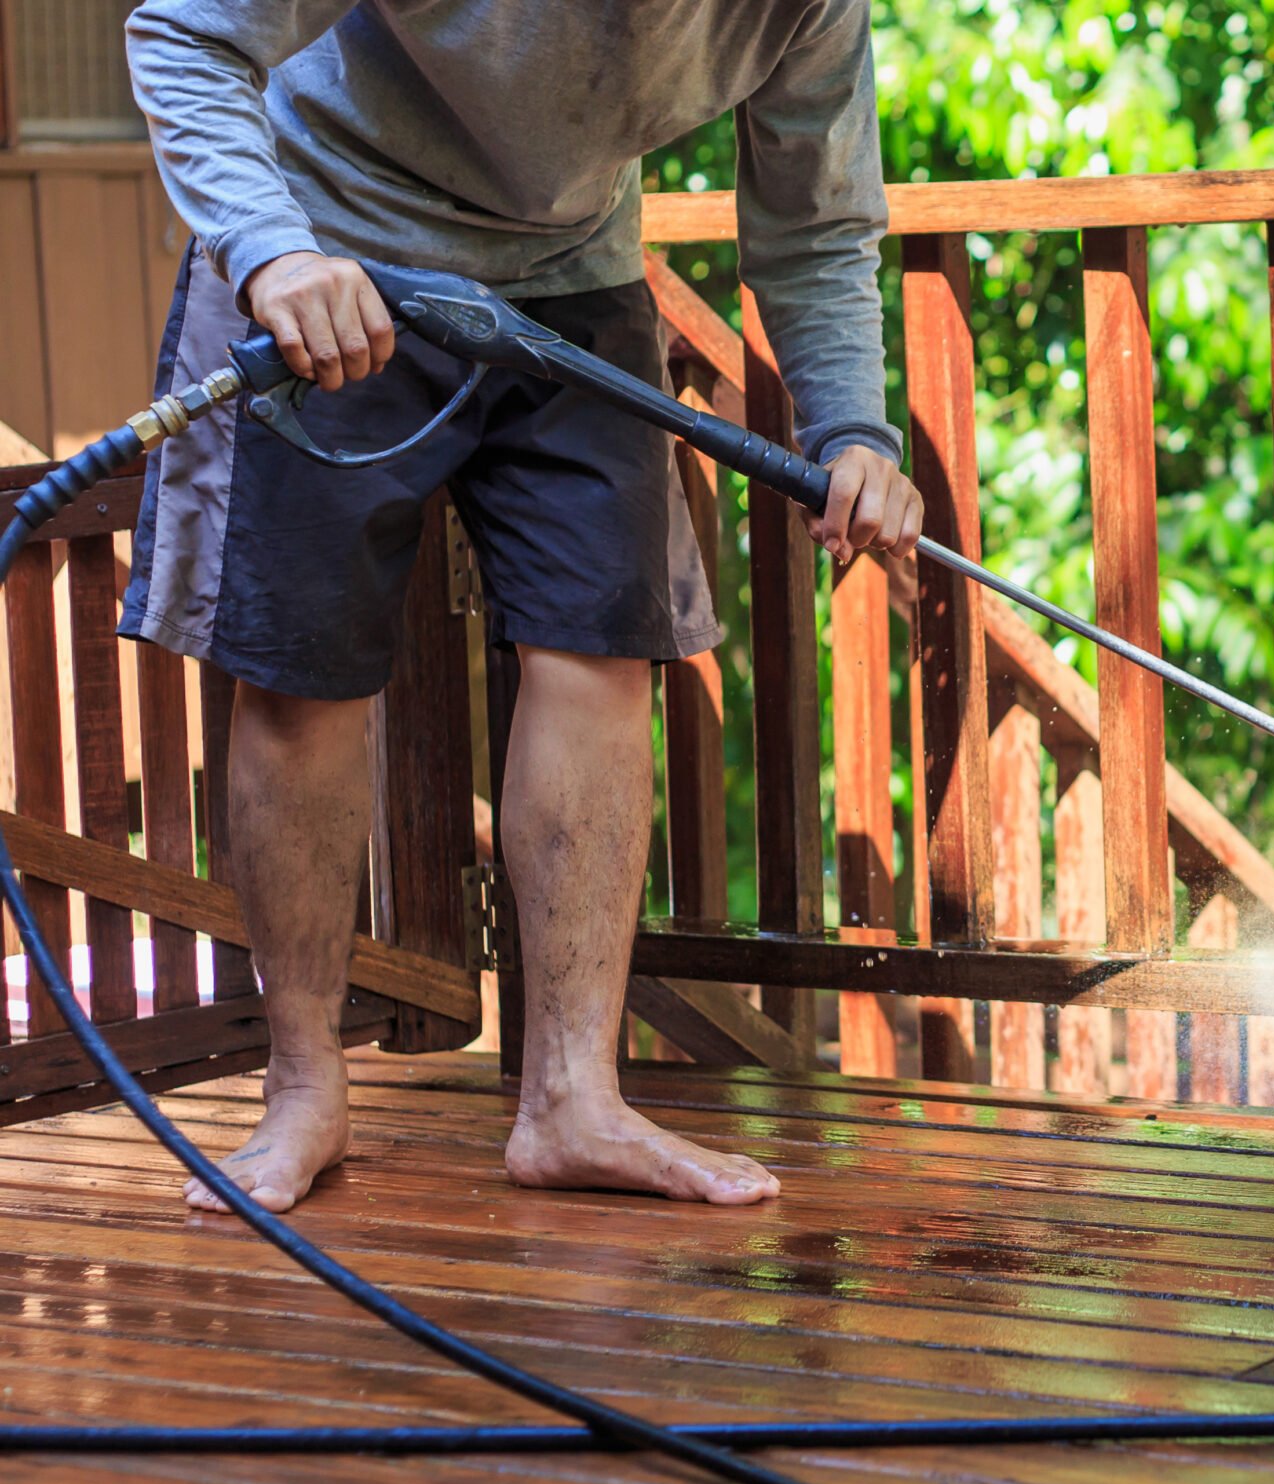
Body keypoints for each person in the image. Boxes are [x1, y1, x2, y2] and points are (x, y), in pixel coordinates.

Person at [122, 2, 922, 1212]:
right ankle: (302, 1091)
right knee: (302, 673)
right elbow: (182, 34)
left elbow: (813, 223)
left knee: (604, 647)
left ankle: (570, 1100)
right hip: (329, 248)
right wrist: (270, 250)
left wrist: (854, 428)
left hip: (573, 275)